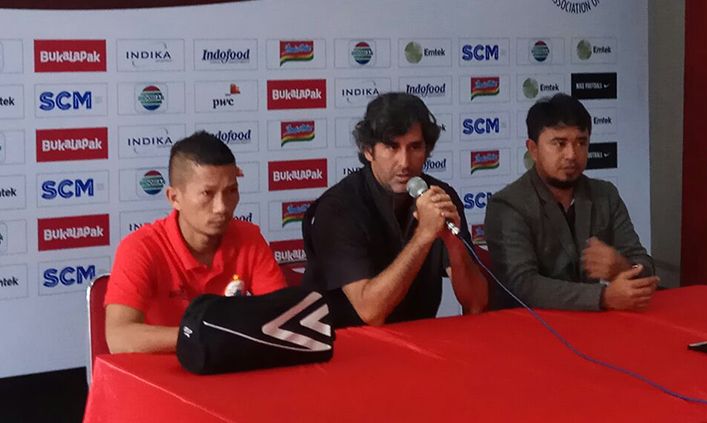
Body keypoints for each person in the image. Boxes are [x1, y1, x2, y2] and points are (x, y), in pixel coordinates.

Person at [302, 92, 488, 328]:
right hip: (347, 349)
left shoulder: (439, 197)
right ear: (369, 151)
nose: (404, 162)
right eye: (392, 147)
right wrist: (423, 236)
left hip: (420, 340)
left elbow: (476, 303)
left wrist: (454, 243)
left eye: (415, 147)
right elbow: (370, 313)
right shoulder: (338, 207)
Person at [105, 131, 286, 353]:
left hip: (227, 371)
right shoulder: (140, 247)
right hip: (161, 375)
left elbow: (282, 319)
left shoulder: (249, 238)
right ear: (174, 198)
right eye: (207, 194)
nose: (222, 207)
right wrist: (202, 333)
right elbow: (119, 338)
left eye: (231, 191)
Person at [484, 93, 658, 311]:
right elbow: (523, 286)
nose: (571, 155)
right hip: (532, 330)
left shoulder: (605, 195)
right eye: (559, 143)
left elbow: (645, 264)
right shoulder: (508, 204)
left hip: (597, 326)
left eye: (581, 143)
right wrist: (602, 297)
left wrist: (622, 267)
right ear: (533, 149)